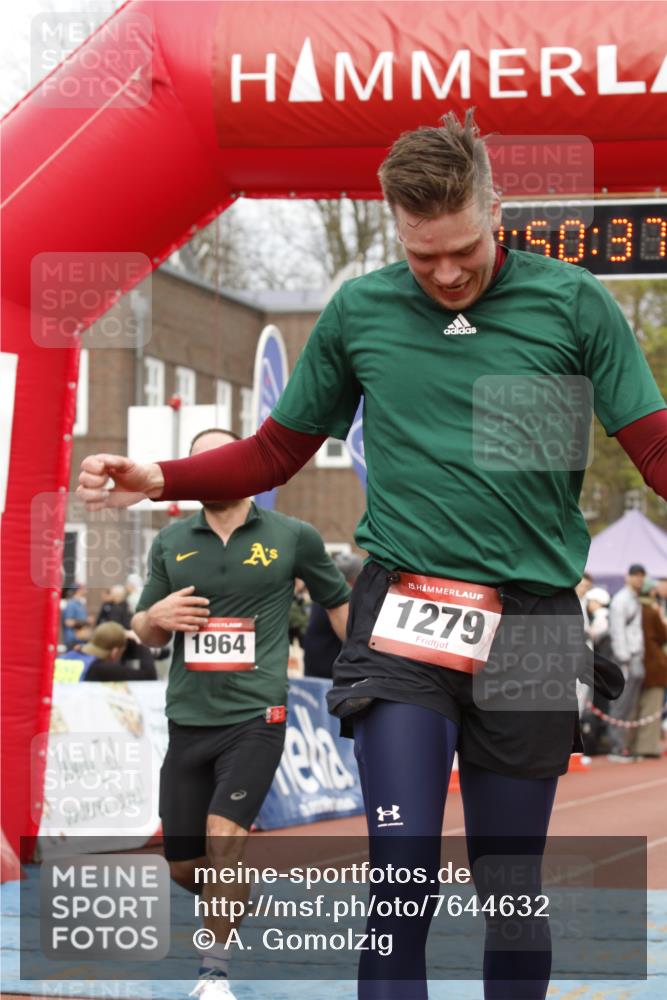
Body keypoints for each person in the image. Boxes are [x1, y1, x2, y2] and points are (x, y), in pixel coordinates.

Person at [77, 111, 667, 1000]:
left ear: (492, 210)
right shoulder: (364, 310)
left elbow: (652, 449)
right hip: (405, 619)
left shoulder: (570, 303)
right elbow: (276, 451)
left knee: (510, 891)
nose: (445, 273)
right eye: (421, 255)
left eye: (462, 248)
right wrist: (159, 473)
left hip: (533, 628)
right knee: (399, 880)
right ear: (396, 231)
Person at [130, 428, 350, 1000]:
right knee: (185, 865)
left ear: (246, 469)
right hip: (188, 719)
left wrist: (371, 673)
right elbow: (141, 627)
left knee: (224, 837)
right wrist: (158, 615)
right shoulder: (172, 540)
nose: (207, 473)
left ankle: (213, 974)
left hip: (258, 715)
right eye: (196, 466)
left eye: (219, 463)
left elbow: (339, 602)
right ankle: (230, 893)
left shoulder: (292, 536)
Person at [607, 564, 647, 761]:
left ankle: (624, 745)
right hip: (626, 658)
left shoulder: (635, 599)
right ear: (628, 577)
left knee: (630, 705)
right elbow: (617, 631)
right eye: (636, 576)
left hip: (636, 656)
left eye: (642, 576)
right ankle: (616, 746)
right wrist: (624, 659)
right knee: (621, 703)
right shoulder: (620, 600)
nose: (639, 579)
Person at [304, 552, 363, 678]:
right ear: (354, 579)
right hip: (329, 674)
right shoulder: (341, 600)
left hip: (317, 669)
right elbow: (353, 637)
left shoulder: (324, 595)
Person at [630, 578, 667, 759]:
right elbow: (663, 635)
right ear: (651, 591)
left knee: (635, 706)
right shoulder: (651, 611)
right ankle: (647, 746)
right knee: (651, 707)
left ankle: (631, 744)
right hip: (653, 663)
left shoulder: (635, 608)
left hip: (635, 662)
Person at [53, 621, 157, 682]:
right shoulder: (100, 669)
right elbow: (149, 676)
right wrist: (140, 642)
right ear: (115, 652)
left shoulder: (69, 656)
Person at [60, 583, 90, 650]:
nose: (86, 590)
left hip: (80, 639)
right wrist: (85, 622)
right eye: (84, 588)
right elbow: (68, 622)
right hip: (73, 639)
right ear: (79, 590)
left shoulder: (80, 604)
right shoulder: (71, 604)